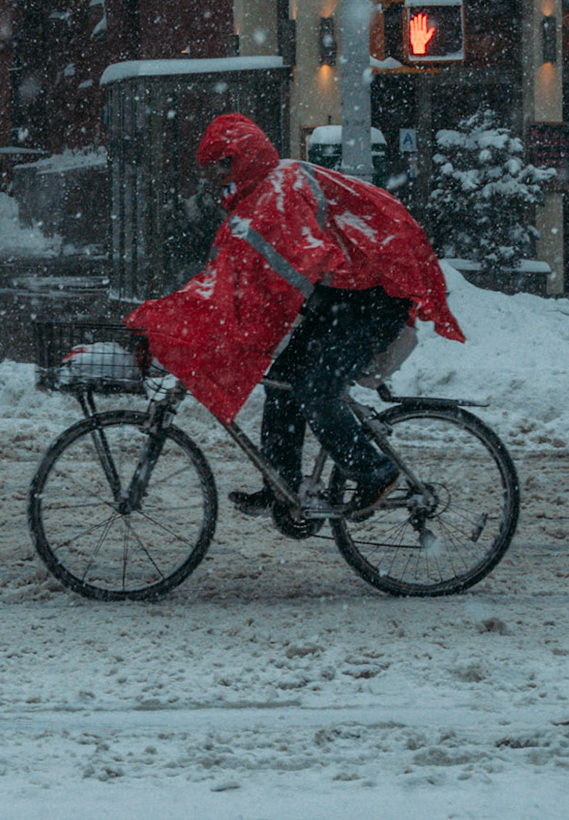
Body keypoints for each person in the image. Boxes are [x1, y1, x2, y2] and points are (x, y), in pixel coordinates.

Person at [127, 113, 464, 529]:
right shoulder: (262, 196)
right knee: (283, 384)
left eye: (223, 165)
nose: (219, 177)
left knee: (315, 390)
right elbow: (233, 281)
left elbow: (276, 282)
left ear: (242, 158)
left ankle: (376, 472)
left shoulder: (280, 194)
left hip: (373, 299)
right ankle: (282, 486)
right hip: (341, 301)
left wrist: (201, 327)